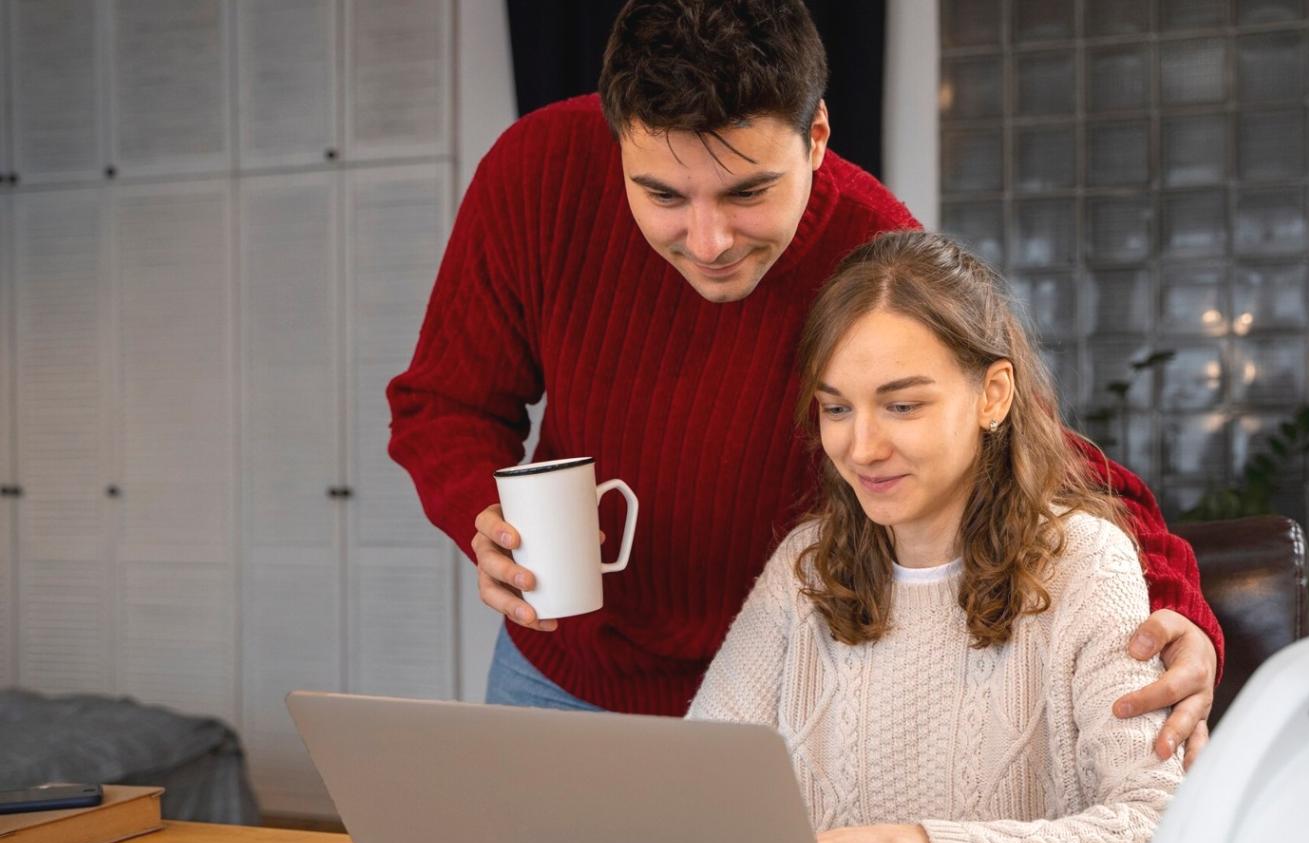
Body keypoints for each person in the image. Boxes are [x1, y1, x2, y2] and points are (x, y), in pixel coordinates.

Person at [385, 0, 1222, 764]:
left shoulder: (870, 247)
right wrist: (483, 518)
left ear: (815, 136)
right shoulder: (535, 172)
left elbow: (1036, 451)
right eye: (663, 195)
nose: (708, 241)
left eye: (747, 192)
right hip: (558, 673)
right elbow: (444, 405)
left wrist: (1177, 609)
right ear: (617, 143)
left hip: (780, 686)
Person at [688, 230, 1181, 843]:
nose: (861, 448)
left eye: (902, 405)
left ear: (992, 395)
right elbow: (696, 795)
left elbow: (1156, 842)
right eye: (836, 408)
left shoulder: (1085, 562)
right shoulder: (805, 568)